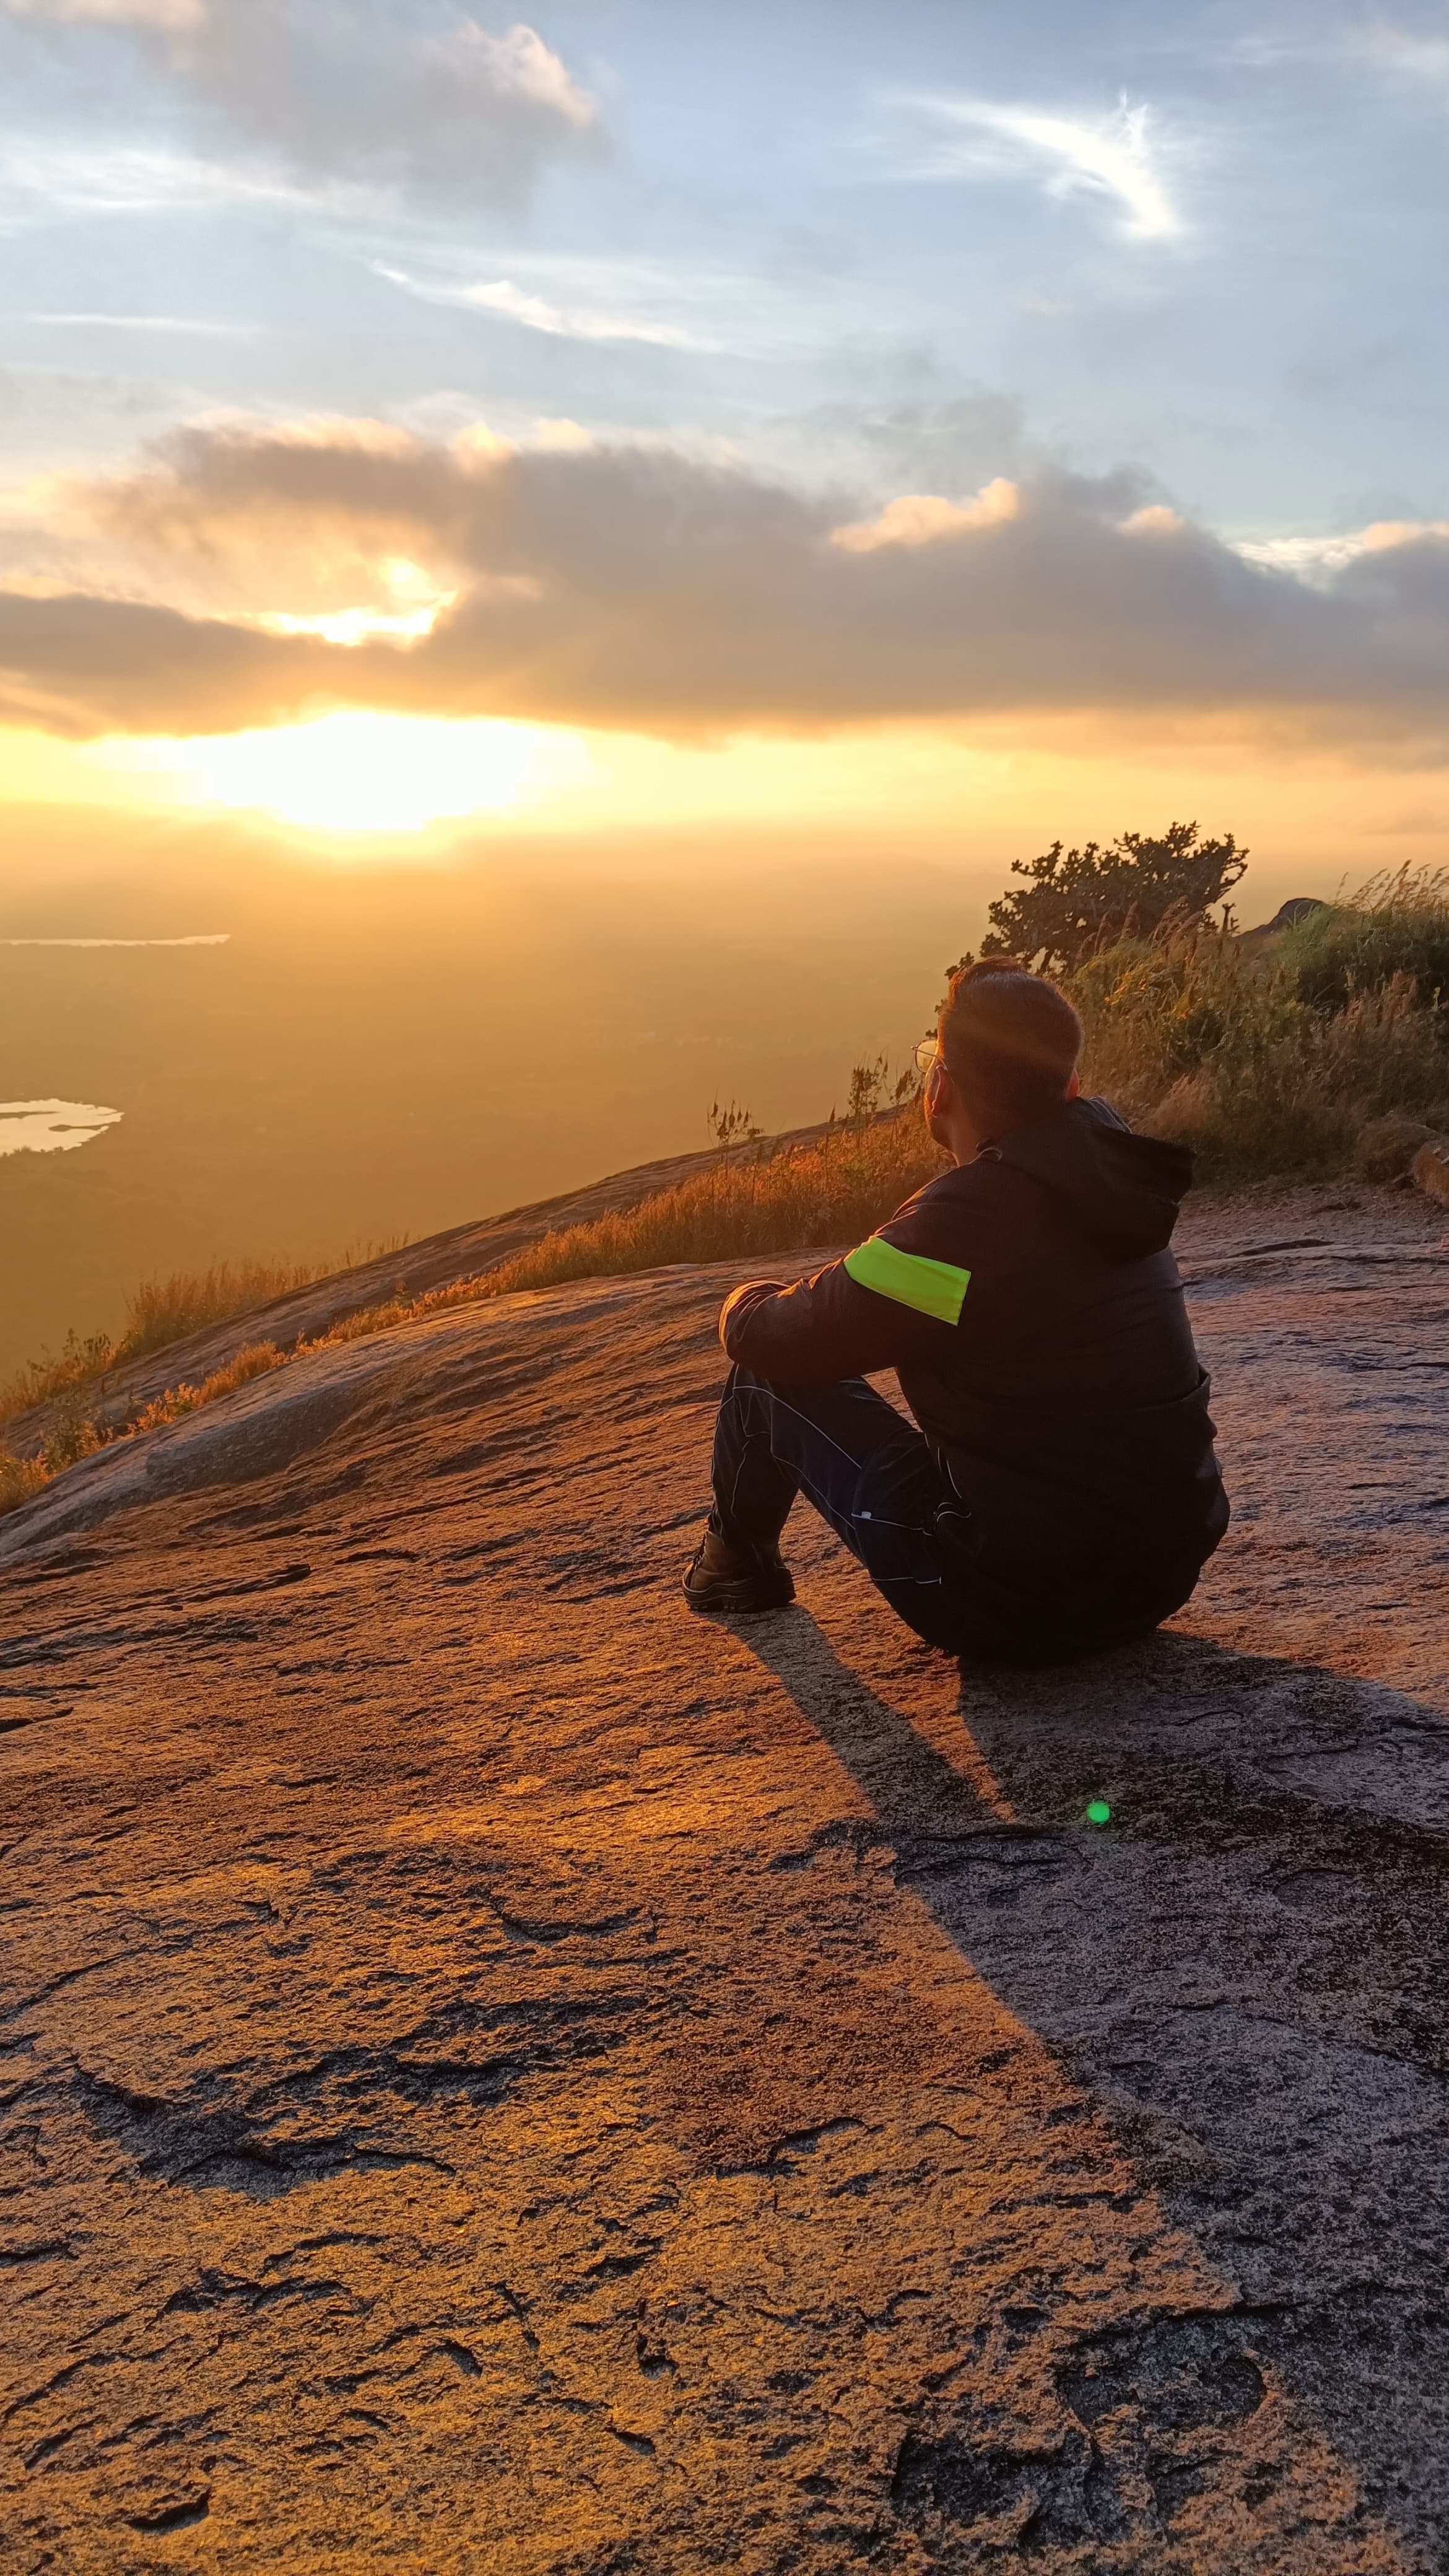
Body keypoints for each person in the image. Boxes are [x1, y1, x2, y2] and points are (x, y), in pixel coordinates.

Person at [683, 957, 1229, 1666]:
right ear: (1070, 1085)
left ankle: (736, 1566)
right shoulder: (1114, 1182)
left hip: (1009, 1599)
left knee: (765, 1378)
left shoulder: (959, 1229)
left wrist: (740, 1298)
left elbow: (776, 1336)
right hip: (1160, 1574)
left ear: (940, 1087)